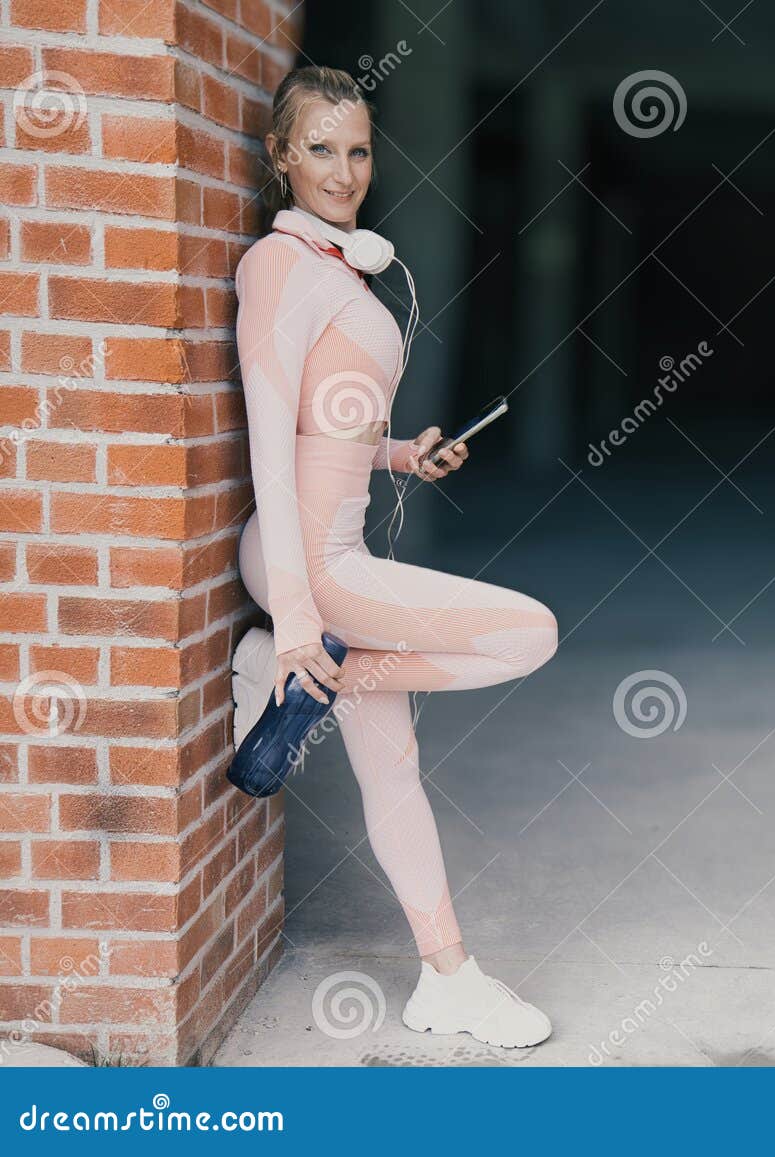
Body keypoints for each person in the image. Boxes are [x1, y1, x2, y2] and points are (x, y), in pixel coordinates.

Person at [232, 65, 557, 1048]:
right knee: (526, 632)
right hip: (311, 571)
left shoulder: (342, 267)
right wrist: (295, 618)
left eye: (359, 149)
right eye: (321, 149)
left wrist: (400, 454)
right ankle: (293, 668)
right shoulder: (279, 267)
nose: (343, 170)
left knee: (395, 766)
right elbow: (266, 444)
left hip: (333, 567)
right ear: (284, 155)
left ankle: (445, 974)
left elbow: (321, 431)